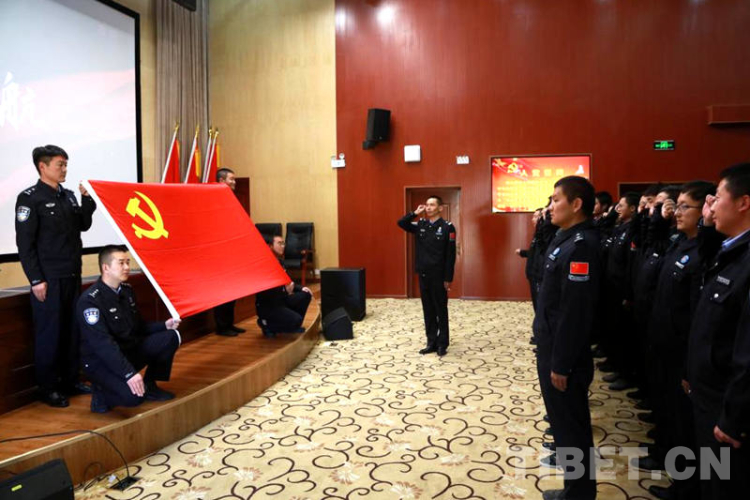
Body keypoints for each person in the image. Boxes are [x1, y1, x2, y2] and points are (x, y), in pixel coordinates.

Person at [644, 181, 715, 500]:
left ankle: (685, 489)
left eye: (685, 206)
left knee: (686, 425)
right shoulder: (680, 243)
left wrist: (689, 366)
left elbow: (697, 316)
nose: (677, 212)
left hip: (684, 354)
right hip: (664, 346)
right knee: (672, 415)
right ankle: (673, 469)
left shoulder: (705, 252)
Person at [533, 176, 601, 500]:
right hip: (553, 346)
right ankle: (575, 489)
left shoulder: (581, 246)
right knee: (565, 425)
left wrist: (561, 363)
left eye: (556, 200)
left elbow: (575, 313)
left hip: (564, 356)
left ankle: (579, 494)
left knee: (572, 428)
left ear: (576, 204)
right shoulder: (566, 238)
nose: (550, 206)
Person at [15, 145, 97, 408]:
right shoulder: (30, 198)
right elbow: (25, 244)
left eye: (65, 164)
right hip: (48, 279)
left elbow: (83, 224)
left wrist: (87, 200)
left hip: (72, 274)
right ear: (43, 166)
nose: (64, 169)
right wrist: (36, 280)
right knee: (49, 334)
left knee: (72, 331)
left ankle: (71, 380)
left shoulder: (69, 196)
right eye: (60, 164)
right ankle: (48, 388)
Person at [686, 163, 750, 499]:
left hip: (726, 409)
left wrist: (733, 418)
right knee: (710, 480)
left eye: (718, 197)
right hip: (709, 396)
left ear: (743, 202)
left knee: (722, 486)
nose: (710, 206)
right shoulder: (729, 251)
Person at [77, 245, 181, 413]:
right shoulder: (90, 301)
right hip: (101, 362)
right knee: (134, 397)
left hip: (125, 351)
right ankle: (101, 394)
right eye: (121, 263)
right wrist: (128, 374)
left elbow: (138, 327)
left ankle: (150, 385)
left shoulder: (127, 291)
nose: (127, 267)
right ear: (106, 268)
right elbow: (103, 345)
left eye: (128, 262)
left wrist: (164, 325)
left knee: (171, 336)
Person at [397, 196, 457, 356]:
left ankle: (442, 343)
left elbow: (450, 255)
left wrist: (448, 278)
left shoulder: (447, 227)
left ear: (440, 208)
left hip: (439, 276)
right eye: (427, 205)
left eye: (432, 205)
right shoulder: (421, 225)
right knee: (428, 310)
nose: (428, 208)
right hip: (424, 274)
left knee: (440, 310)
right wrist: (414, 213)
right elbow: (401, 223)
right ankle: (431, 342)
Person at [255, 235, 313, 337]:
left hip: (281, 300)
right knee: (296, 319)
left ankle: (292, 325)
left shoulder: (280, 262)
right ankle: (266, 324)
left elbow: (289, 281)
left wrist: (301, 288)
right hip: (269, 306)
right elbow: (267, 293)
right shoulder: (264, 265)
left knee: (305, 294)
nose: (283, 246)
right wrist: (286, 291)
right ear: (270, 246)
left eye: (283, 243)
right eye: (279, 243)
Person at [213, 167, 246, 336]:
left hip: (231, 252)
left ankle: (229, 323)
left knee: (232, 290)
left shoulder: (231, 198)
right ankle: (222, 326)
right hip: (219, 254)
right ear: (221, 181)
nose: (234, 182)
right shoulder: (214, 199)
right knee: (222, 291)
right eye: (231, 179)